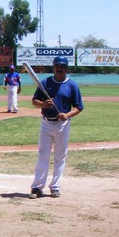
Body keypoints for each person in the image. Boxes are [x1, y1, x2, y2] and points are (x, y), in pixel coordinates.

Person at [29, 56, 84, 199]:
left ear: (66, 69)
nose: (60, 69)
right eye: (57, 66)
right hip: (46, 123)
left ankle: (55, 187)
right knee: (43, 155)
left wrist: (67, 115)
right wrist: (43, 104)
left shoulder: (72, 85)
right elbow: (34, 101)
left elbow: (79, 107)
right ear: (53, 68)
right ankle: (37, 187)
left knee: (60, 156)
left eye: (62, 67)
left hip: (62, 125)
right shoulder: (45, 83)